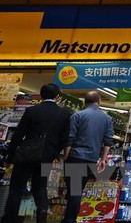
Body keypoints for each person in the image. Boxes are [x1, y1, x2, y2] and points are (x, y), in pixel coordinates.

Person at [2, 84, 72, 223]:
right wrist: (53, 153)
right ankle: (42, 216)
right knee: (40, 187)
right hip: (46, 157)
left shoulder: (32, 111)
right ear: (57, 97)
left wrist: (10, 155)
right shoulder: (64, 114)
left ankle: (10, 219)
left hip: (26, 155)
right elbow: (65, 139)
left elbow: (18, 134)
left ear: (41, 95)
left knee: (16, 188)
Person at [61, 90, 114, 223]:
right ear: (99, 102)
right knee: (77, 189)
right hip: (91, 159)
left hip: (76, 156)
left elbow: (70, 138)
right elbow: (108, 141)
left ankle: (70, 220)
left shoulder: (77, 115)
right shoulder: (107, 119)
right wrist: (103, 159)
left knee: (74, 191)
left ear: (85, 102)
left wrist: (66, 156)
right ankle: (68, 218)